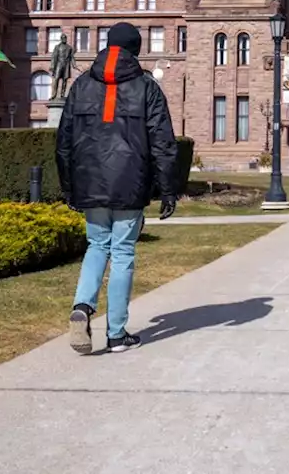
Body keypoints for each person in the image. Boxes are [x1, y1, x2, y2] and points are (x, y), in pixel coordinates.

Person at [58, 22, 179, 354]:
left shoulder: (81, 85)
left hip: (90, 180)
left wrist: (68, 186)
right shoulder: (147, 87)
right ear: (135, 50)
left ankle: (82, 307)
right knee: (123, 252)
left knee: (97, 246)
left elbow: (64, 141)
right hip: (130, 181)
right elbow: (163, 144)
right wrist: (168, 190)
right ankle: (116, 333)